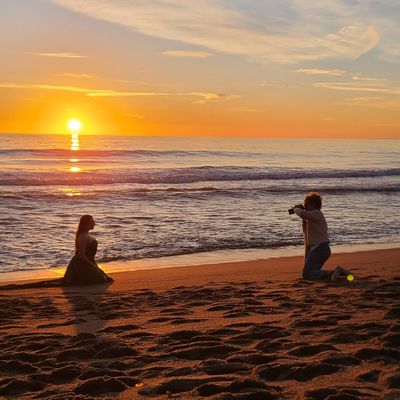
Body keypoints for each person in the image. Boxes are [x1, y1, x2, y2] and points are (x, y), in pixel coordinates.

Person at [294, 192, 349, 281]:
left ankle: (333, 272)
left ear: (313, 205)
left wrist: (296, 209)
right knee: (312, 272)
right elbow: (305, 233)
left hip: (320, 248)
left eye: (306, 205)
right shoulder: (312, 218)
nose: (305, 207)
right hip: (320, 249)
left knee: (307, 273)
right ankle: (339, 274)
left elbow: (302, 213)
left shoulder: (317, 213)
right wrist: (303, 218)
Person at [63, 215, 113, 285]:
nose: (94, 223)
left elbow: (90, 255)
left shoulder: (88, 234)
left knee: (105, 278)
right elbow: (81, 255)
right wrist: (92, 265)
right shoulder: (83, 236)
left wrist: (95, 265)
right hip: (81, 263)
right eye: (92, 222)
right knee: (101, 280)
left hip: (89, 261)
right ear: (86, 224)